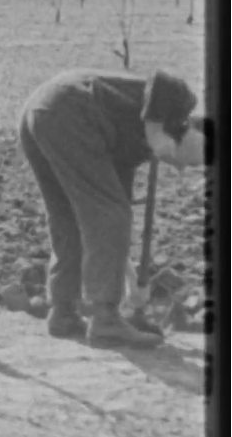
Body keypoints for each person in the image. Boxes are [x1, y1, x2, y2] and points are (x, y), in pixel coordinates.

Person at [18, 68, 208, 348]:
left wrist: (133, 285)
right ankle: (105, 321)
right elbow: (161, 80)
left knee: (69, 216)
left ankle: (63, 312)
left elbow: (111, 223)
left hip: (43, 112)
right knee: (109, 214)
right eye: (193, 162)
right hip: (70, 110)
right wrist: (157, 132)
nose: (182, 169)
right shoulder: (180, 103)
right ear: (195, 130)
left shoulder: (130, 150)